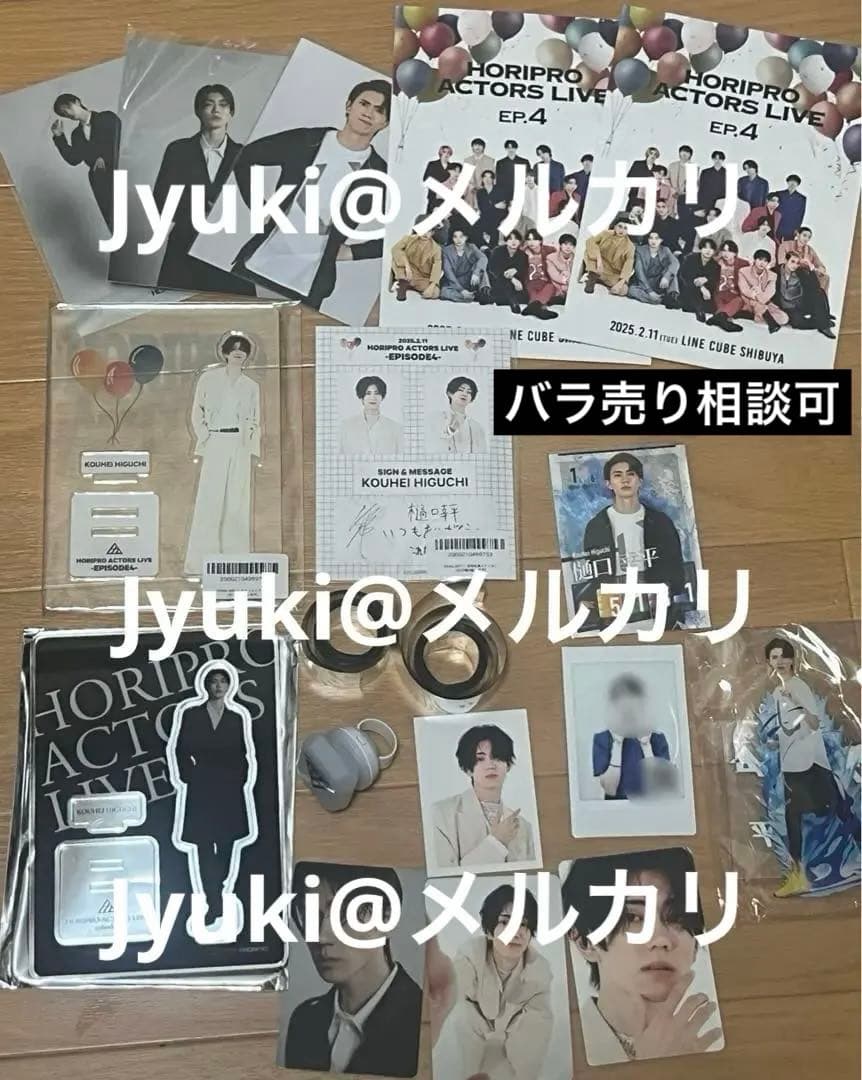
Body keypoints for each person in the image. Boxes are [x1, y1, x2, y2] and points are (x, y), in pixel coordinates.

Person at [230, 79, 390, 309]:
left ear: (385, 123)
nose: (369, 113)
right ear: (349, 106)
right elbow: (245, 157)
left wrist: (353, 252)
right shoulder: (307, 141)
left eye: (379, 110)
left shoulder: (379, 174)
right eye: (364, 104)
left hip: (307, 285)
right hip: (257, 265)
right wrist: (261, 208)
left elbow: (404, 234)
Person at [561, 849, 722, 1064]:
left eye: (678, 917)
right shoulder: (560, 1049)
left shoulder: (722, 1038)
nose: (661, 939)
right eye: (633, 917)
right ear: (585, 942)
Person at [280, 863, 423, 1075]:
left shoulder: (420, 1019)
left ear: (386, 917)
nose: (321, 936)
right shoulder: (304, 1020)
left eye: (344, 913)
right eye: (309, 916)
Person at [764, 639, 848, 897]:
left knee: (835, 810)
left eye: (783, 656)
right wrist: (778, 740)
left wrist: (796, 701)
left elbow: (812, 723)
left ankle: (799, 875)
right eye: (774, 656)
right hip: (793, 763)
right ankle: (798, 875)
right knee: (799, 817)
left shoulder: (797, 687)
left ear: (792, 660)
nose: (779, 661)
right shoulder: (778, 692)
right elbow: (791, 728)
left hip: (810, 763)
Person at [170, 667, 253, 926]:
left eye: (222, 681)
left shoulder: (236, 718)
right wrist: (188, 775)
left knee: (227, 844)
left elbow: (242, 752)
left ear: (229, 686)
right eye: (214, 681)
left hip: (228, 787)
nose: (218, 686)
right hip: (202, 785)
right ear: (205, 685)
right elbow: (180, 748)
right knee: (204, 845)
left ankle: (220, 887)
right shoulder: (192, 714)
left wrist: (240, 778)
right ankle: (213, 901)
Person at [452, 885, 553, 1080]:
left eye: (523, 924)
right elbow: (459, 1014)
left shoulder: (539, 972)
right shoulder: (469, 957)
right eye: (506, 922)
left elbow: (536, 1032)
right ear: (490, 931)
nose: (516, 932)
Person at [152, 84, 247, 291]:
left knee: (234, 306)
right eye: (208, 104)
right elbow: (160, 198)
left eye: (223, 105)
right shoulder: (178, 150)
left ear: (231, 113)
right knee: (182, 307)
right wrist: (198, 211)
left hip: (228, 249)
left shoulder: (243, 154)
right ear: (198, 111)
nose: (216, 110)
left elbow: (252, 203)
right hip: (185, 245)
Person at [184, 333, 260, 575]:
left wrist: (251, 449)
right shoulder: (208, 379)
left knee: (237, 502)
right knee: (210, 500)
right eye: (234, 348)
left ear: (247, 356)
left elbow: (255, 420)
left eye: (243, 349)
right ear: (225, 352)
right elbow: (197, 412)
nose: (238, 352)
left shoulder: (251, 386)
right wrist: (205, 437)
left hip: (240, 444)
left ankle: (235, 562)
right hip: (216, 441)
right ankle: (199, 562)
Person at [582, 451, 686, 626]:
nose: (625, 480)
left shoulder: (661, 522)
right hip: (613, 597)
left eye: (630, 474)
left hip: (655, 596)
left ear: (640, 481)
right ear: (608, 483)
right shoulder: (596, 526)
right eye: (618, 475)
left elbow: (675, 567)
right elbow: (594, 571)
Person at [431, 723, 536, 869]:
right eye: (480, 759)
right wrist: (497, 842)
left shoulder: (524, 827)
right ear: (467, 769)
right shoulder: (441, 814)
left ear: (508, 765)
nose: (491, 765)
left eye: (498, 758)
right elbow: (445, 876)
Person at [592, 674, 671, 801]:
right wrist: (617, 744)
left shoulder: (657, 739)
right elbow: (610, 790)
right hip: (615, 809)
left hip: (650, 807)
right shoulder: (602, 739)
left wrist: (647, 747)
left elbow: (659, 788)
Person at [50, 92, 120, 229]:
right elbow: (74, 159)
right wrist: (59, 137)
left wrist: (104, 157)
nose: (67, 114)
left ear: (77, 101)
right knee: (113, 221)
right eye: (63, 113)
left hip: (120, 172)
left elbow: (121, 138)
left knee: (133, 214)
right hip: (99, 180)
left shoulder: (106, 117)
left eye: (67, 108)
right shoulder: (76, 135)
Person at [774, 251, 835, 338]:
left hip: (800, 304)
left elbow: (815, 286)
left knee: (819, 292)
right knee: (797, 323)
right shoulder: (775, 271)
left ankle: (824, 326)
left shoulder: (800, 272)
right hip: (788, 308)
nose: (795, 265)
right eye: (792, 261)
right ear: (785, 260)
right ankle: (823, 321)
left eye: (797, 263)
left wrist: (811, 268)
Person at [339, 375, 403, 455]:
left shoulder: (395, 428)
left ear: (382, 397)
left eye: (377, 393)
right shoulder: (345, 426)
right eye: (368, 393)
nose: (373, 397)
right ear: (362, 397)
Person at [390, 215, 442, 301]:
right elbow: (395, 249)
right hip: (406, 272)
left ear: (432, 232)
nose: (425, 234)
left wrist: (432, 286)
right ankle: (403, 284)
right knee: (396, 258)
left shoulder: (436, 248)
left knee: (435, 292)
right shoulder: (408, 238)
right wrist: (407, 266)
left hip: (421, 277)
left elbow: (437, 267)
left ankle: (407, 285)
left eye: (429, 231)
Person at [737, 250, 789, 333]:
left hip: (765, 303)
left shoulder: (772, 275)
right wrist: (754, 295)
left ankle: (752, 317)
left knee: (784, 318)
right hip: (747, 302)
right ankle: (770, 322)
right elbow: (744, 290)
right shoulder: (743, 271)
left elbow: (769, 293)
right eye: (760, 259)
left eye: (765, 261)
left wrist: (758, 291)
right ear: (754, 259)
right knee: (755, 302)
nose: (762, 263)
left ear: (768, 263)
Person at [582, 217, 635, 297]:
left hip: (612, 272)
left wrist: (621, 282)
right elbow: (590, 241)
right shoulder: (605, 233)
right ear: (615, 227)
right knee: (588, 251)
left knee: (623, 290)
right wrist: (599, 259)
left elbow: (629, 263)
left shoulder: (630, 246)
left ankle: (599, 279)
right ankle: (592, 277)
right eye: (620, 226)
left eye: (625, 228)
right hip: (598, 265)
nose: (622, 230)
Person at [628, 230, 680, 308]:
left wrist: (666, 277)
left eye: (657, 238)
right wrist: (649, 291)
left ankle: (672, 296)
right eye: (651, 238)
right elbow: (639, 272)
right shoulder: (640, 250)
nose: (653, 241)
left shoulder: (665, 250)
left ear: (661, 240)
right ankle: (661, 300)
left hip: (658, 282)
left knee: (671, 273)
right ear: (647, 239)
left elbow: (675, 263)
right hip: (642, 283)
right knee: (631, 290)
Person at [436, 376, 486, 453]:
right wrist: (451, 430)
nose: (465, 394)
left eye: (469, 392)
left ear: (471, 399)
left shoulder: (476, 427)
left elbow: (482, 451)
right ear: (450, 393)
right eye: (460, 390)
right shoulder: (438, 418)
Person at [440, 226, 491, 302]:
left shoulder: (471, 247)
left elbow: (483, 258)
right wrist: (461, 290)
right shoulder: (446, 251)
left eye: (461, 237)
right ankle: (471, 296)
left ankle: (485, 292)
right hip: (455, 281)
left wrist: (476, 272)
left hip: (470, 279)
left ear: (466, 237)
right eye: (455, 237)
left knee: (481, 269)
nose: (458, 240)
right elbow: (449, 273)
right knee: (444, 292)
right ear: (452, 238)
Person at [707, 239, 747, 332]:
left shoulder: (743, 264)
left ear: (735, 253)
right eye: (724, 250)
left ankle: (719, 318)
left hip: (734, 294)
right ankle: (723, 320)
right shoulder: (716, 263)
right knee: (719, 298)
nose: (726, 253)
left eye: (729, 251)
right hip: (719, 293)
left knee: (739, 301)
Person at [678, 237, 720, 323]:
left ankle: (699, 309)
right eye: (705, 247)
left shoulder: (716, 265)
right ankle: (699, 310)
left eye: (711, 248)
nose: (708, 251)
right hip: (688, 288)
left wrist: (706, 279)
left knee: (711, 306)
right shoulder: (690, 258)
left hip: (704, 294)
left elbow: (714, 281)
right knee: (690, 291)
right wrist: (701, 288)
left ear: (714, 251)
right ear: (701, 248)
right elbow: (685, 276)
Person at [522, 228, 560, 318]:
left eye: (534, 239)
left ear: (540, 241)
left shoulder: (550, 250)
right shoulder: (523, 253)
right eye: (529, 240)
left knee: (550, 287)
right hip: (531, 281)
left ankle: (533, 307)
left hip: (546, 281)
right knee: (531, 290)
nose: (531, 242)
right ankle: (541, 309)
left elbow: (557, 266)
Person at [778, 227, 829, 292]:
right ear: (798, 234)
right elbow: (781, 262)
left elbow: (820, 265)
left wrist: (818, 268)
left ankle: (820, 297)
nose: (806, 239)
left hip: (807, 273)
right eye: (804, 235)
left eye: (809, 237)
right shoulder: (786, 245)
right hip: (791, 271)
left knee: (825, 278)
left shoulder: (810, 250)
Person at [489, 229, 529, 311]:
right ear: (506, 241)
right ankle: (513, 302)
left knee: (524, 296)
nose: (513, 241)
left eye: (516, 239)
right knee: (505, 283)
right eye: (510, 239)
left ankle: (511, 300)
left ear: (520, 241)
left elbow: (524, 271)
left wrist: (516, 270)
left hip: (515, 287)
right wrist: (512, 279)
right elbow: (493, 269)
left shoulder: (523, 255)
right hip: (499, 282)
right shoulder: (497, 251)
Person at [474, 169, 508, 249]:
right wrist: (494, 206)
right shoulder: (480, 192)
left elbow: (503, 206)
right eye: (485, 177)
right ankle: (483, 247)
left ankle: (492, 247)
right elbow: (482, 208)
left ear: (493, 179)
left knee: (495, 224)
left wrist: (489, 205)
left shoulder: (499, 190)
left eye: (490, 177)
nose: (487, 179)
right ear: (482, 179)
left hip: (498, 216)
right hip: (485, 216)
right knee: (476, 226)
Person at [667, 144, 697, 225]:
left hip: (685, 196)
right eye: (682, 152)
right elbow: (666, 179)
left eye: (687, 152)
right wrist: (672, 190)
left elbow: (695, 184)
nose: (684, 154)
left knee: (684, 217)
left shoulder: (694, 167)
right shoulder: (672, 165)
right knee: (670, 216)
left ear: (690, 155)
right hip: (672, 195)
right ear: (679, 153)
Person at [495, 139, 530, 206]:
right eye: (508, 148)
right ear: (506, 149)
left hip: (520, 191)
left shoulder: (524, 161)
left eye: (513, 147)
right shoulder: (500, 163)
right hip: (505, 192)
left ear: (516, 148)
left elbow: (528, 177)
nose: (511, 150)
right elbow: (499, 180)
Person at [695, 150, 728, 218]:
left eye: (720, 159)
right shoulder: (705, 172)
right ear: (713, 159)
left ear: (723, 160)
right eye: (715, 158)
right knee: (706, 219)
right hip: (707, 201)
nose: (717, 161)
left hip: (721, 201)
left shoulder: (728, 173)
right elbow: (701, 189)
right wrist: (700, 205)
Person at [464, 137, 495, 207]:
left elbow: (492, 177)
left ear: (483, 148)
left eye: (480, 145)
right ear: (472, 147)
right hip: (471, 190)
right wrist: (472, 187)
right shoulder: (467, 160)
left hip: (486, 189)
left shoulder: (490, 160)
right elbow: (465, 178)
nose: (477, 147)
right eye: (475, 145)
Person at [775, 174, 806, 241]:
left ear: (797, 184)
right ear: (788, 182)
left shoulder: (801, 198)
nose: (792, 184)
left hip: (791, 226)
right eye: (791, 181)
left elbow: (800, 214)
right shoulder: (779, 194)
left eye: (795, 182)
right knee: (775, 243)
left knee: (788, 245)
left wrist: (797, 228)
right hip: (778, 224)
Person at [546, 234, 576, 302]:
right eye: (565, 244)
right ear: (560, 245)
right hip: (556, 288)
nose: (568, 247)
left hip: (571, 289)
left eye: (571, 245)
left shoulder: (576, 259)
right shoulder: (551, 258)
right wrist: (567, 281)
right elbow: (554, 276)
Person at [423, 144, 454, 209]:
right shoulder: (432, 164)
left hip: (447, 197)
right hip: (434, 195)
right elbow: (426, 179)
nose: (446, 154)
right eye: (444, 152)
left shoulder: (452, 166)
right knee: (432, 213)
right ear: (440, 153)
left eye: (448, 152)